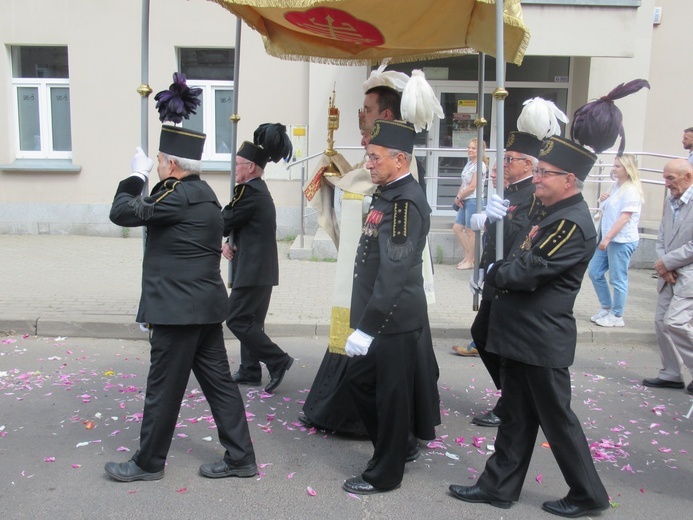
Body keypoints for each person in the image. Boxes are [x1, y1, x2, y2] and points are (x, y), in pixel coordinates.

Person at [105, 73, 256, 481]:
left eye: (157, 161)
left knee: (163, 389)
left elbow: (121, 212)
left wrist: (135, 177)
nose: (155, 166)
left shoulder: (175, 194)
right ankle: (241, 457)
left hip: (178, 311)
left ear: (172, 164)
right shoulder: (205, 194)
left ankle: (148, 462)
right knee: (220, 385)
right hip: (202, 306)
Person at [449, 135, 610, 517]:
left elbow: (526, 271)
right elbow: (517, 247)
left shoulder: (572, 223)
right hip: (520, 334)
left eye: (544, 173)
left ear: (569, 180)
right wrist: (493, 222)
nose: (536, 178)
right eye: (536, 170)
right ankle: (498, 486)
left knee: (558, 422)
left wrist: (493, 271)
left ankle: (589, 494)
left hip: (541, 338)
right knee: (516, 417)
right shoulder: (548, 211)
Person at [300, 69, 441, 433]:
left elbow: (369, 202)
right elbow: (363, 189)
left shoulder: (401, 172)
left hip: (390, 291)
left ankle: (393, 440)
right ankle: (389, 436)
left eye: (367, 108)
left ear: (387, 117)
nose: (360, 115)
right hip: (372, 286)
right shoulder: (384, 162)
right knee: (370, 371)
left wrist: (335, 177)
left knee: (389, 376)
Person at [342, 120, 437, 495]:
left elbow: (394, 270)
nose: (369, 164)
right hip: (382, 315)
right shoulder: (388, 193)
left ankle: (386, 473)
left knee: (390, 395)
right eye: (369, 157)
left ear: (400, 160)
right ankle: (401, 444)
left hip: (393, 318)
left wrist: (367, 328)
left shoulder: (404, 202)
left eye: (374, 157)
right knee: (361, 382)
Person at [223, 123, 295, 394]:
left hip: (253, 271)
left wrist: (222, 233)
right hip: (260, 270)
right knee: (251, 322)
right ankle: (250, 370)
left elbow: (225, 220)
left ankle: (277, 360)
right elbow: (237, 225)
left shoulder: (249, 192)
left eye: (239, 164)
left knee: (236, 319)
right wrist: (226, 243)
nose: (236, 169)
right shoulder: (257, 192)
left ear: (251, 167)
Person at [642, 158, 693, 395]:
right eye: (665, 177)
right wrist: (663, 263)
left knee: (676, 322)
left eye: (670, 178)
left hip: (688, 274)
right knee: (662, 323)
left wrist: (668, 262)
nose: (666, 183)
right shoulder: (670, 200)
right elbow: (662, 234)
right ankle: (671, 374)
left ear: (688, 177)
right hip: (668, 273)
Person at [588, 153, 644, 327]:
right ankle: (606, 307)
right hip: (608, 239)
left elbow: (624, 217)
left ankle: (617, 315)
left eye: (618, 166)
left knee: (618, 278)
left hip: (620, 241)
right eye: (614, 165)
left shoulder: (631, 190)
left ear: (627, 169)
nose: (614, 168)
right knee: (594, 271)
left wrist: (607, 238)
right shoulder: (615, 186)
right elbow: (607, 210)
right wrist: (602, 199)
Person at [453, 138, 487, 270]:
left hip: (473, 199)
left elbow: (473, 186)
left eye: (473, 148)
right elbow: (464, 183)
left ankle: (470, 260)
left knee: (470, 231)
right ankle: (469, 257)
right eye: (469, 147)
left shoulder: (480, 165)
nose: (470, 150)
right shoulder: (469, 164)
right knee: (457, 228)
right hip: (465, 199)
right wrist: (458, 197)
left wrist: (460, 196)